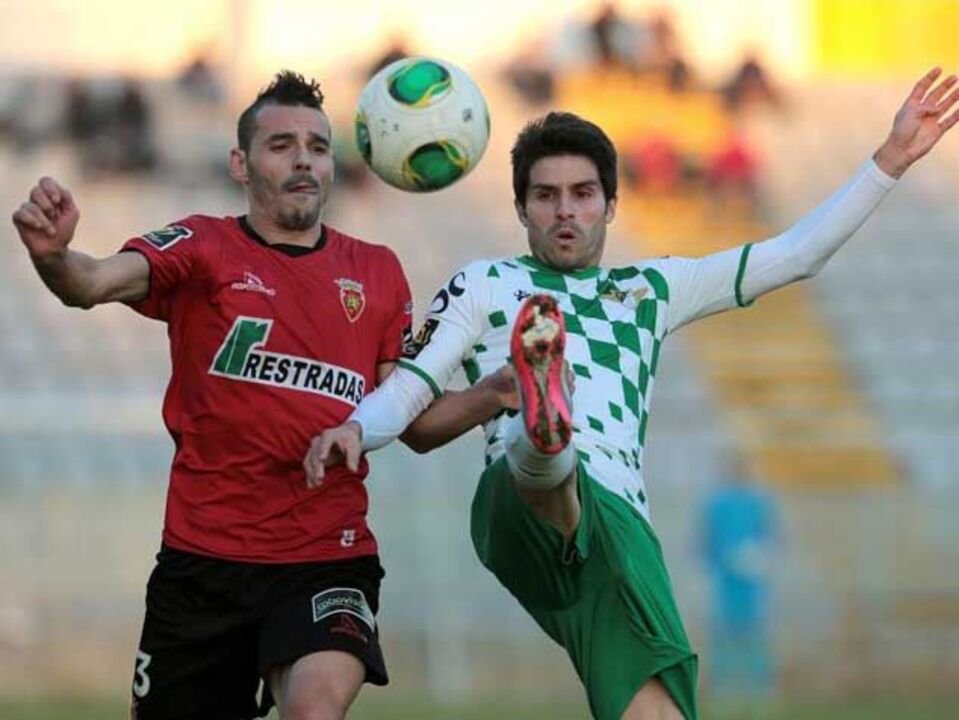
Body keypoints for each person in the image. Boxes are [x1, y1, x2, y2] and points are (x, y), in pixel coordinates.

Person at [307, 67, 958, 719]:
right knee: (543, 462)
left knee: (657, 714)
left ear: (610, 205)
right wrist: (357, 430)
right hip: (515, 505)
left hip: (620, 533)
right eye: (546, 196)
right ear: (521, 209)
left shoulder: (652, 288)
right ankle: (538, 425)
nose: (565, 211)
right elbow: (411, 392)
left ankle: (540, 419)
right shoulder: (482, 283)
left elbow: (795, 254)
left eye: (583, 194)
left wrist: (890, 160)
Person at [12, 71, 417, 720]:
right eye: (281, 144)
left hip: (325, 555)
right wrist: (55, 257)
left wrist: (499, 392)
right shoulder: (203, 247)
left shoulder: (377, 271)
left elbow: (411, 412)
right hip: (202, 563)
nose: (304, 159)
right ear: (240, 163)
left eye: (316, 145)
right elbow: (88, 284)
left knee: (314, 711)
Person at [698, 461, 779, 701]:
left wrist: (759, 557)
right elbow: (706, 540)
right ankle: (721, 683)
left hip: (752, 581)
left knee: (754, 630)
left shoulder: (757, 503)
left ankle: (759, 684)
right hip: (724, 579)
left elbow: (770, 536)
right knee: (722, 631)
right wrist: (722, 560)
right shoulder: (717, 504)